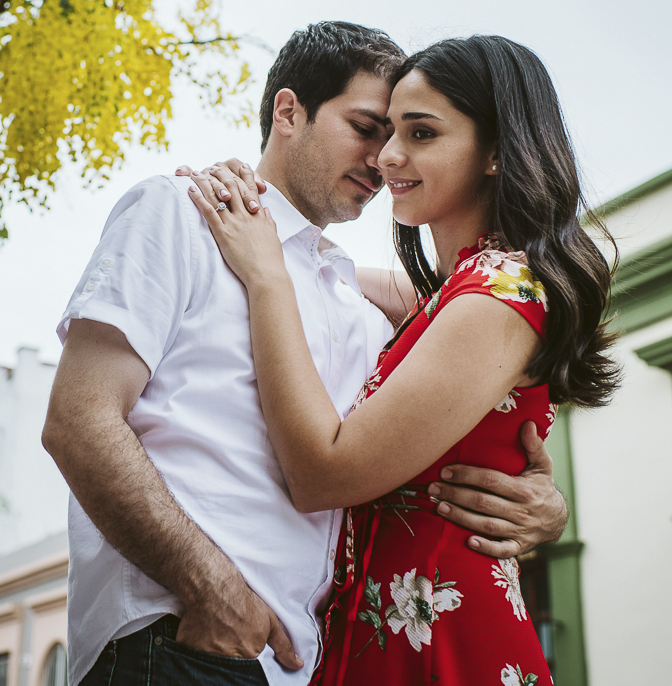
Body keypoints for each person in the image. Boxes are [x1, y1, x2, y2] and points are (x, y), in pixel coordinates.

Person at [42, 23, 569, 686]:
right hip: (180, 636)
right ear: (288, 111)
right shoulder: (182, 213)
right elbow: (78, 420)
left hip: (303, 664)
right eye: (368, 127)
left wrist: (542, 498)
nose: (383, 159)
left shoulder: (361, 302)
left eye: (410, 133)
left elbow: (466, 359)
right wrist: (210, 590)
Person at [184, 35, 618, 684]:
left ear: (497, 151)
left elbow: (323, 475)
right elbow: (348, 277)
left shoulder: (500, 297)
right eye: (385, 132)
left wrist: (268, 275)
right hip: (382, 639)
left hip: (445, 645)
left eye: (420, 133)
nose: (388, 156)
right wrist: (264, 221)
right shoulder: (456, 295)